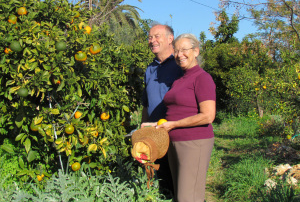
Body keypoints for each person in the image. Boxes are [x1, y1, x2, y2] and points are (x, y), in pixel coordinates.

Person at [144, 33, 216, 202]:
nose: (179, 54)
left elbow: (208, 116)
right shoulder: (180, 79)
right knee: (179, 197)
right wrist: (152, 125)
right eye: (176, 51)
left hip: (194, 143)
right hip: (174, 143)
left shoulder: (202, 78)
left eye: (184, 50)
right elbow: (175, 113)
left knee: (188, 198)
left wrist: (173, 125)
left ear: (196, 51)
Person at [141, 24, 183, 195]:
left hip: (174, 132)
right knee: (160, 179)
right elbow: (146, 103)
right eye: (150, 37)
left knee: (179, 181)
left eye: (157, 36)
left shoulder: (180, 65)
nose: (152, 41)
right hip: (154, 133)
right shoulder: (150, 68)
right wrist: (143, 130)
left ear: (170, 38)